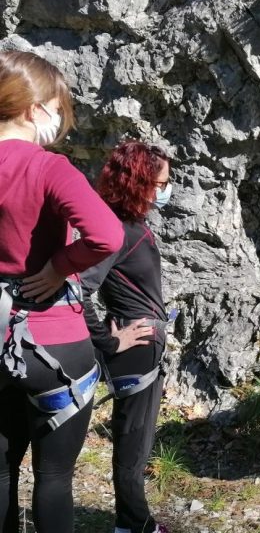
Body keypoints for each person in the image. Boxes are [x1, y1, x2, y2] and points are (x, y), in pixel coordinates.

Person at [0, 50, 125, 532]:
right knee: (54, 475)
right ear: (34, 109)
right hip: (53, 344)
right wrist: (59, 266)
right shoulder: (49, 167)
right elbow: (107, 235)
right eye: (56, 106)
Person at [80, 141, 174, 533]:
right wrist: (108, 340)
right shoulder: (117, 230)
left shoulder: (130, 225)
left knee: (135, 444)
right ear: (140, 182)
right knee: (133, 448)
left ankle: (132, 522)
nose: (167, 189)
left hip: (141, 347)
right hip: (133, 350)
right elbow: (79, 289)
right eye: (162, 182)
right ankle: (136, 526)